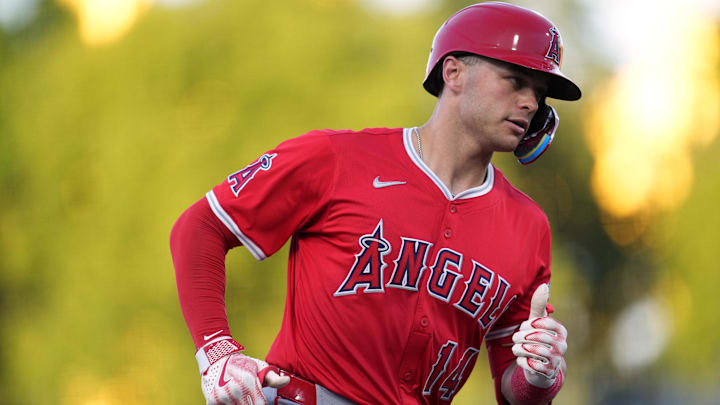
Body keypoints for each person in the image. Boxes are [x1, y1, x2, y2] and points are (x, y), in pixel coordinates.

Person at [170, 2, 581, 404]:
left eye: (539, 93)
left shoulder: (529, 225)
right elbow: (200, 227)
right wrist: (217, 351)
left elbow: (514, 389)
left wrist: (538, 377)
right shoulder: (335, 157)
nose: (531, 103)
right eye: (514, 81)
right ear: (453, 71)